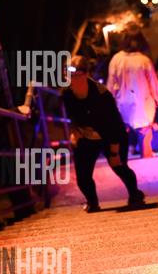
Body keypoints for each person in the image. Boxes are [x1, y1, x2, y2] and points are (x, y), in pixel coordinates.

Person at [62, 56, 146, 212]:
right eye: (69, 76)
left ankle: (135, 194)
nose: (73, 80)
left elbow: (114, 125)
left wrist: (114, 151)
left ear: (86, 74)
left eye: (77, 75)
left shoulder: (102, 94)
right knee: (82, 175)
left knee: (118, 166)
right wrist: (74, 132)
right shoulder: (66, 94)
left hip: (111, 134)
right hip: (87, 136)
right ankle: (92, 202)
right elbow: (70, 116)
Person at [107, 28, 158, 157]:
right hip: (143, 103)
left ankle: (123, 157)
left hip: (123, 103)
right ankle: (146, 155)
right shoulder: (144, 60)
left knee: (123, 133)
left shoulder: (116, 59)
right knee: (144, 133)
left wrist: (107, 102)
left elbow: (111, 83)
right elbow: (153, 82)